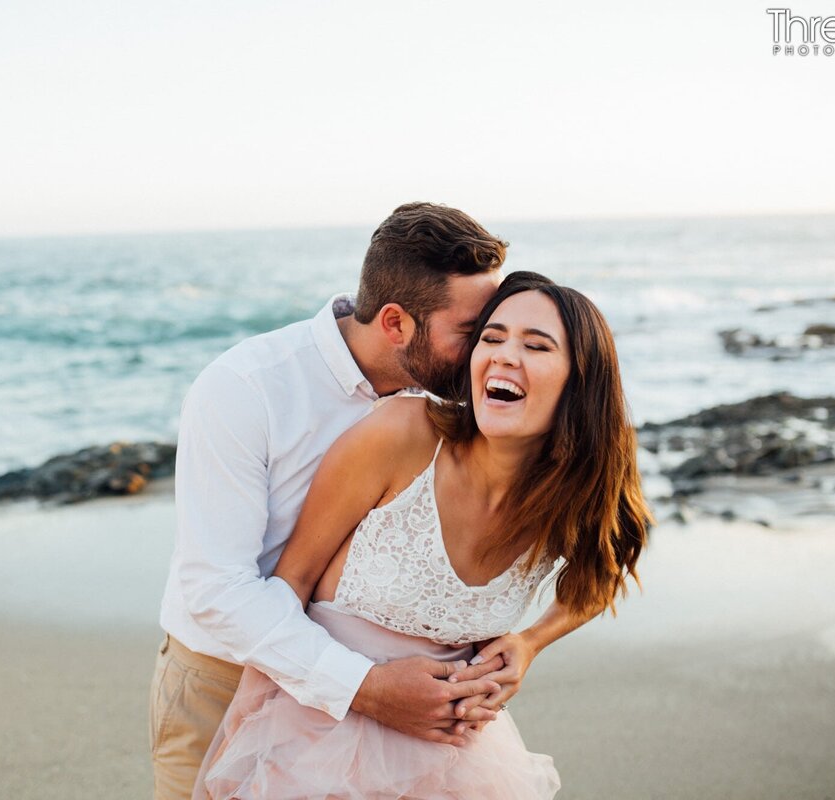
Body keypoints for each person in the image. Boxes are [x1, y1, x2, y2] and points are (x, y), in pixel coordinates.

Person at [195, 271, 652, 799]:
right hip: (317, 742)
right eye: (492, 337)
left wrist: (529, 642)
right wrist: (241, 741)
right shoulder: (404, 434)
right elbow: (291, 581)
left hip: (457, 762)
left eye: (536, 345)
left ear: (581, 380)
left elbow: (606, 570)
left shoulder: (576, 492)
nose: (504, 355)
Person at [151, 203, 511, 798]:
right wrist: (367, 687)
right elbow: (217, 590)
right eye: (471, 333)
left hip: (394, 700)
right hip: (225, 677)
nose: (485, 353)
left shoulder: (461, 403)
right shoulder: (245, 387)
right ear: (396, 323)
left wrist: (511, 648)